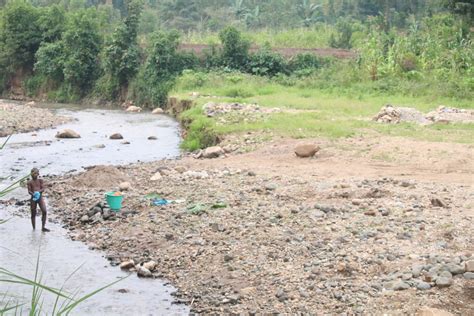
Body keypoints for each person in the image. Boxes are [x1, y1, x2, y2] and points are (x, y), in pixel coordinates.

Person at [27, 168, 50, 232]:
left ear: (38, 174)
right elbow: (29, 191)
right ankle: (34, 229)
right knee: (33, 214)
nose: (35, 175)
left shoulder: (40, 181)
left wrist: (38, 192)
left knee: (44, 211)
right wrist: (33, 194)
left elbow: (43, 188)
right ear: (31, 174)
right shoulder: (29, 182)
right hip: (33, 199)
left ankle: (43, 227)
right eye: (34, 173)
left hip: (40, 197)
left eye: (36, 173)